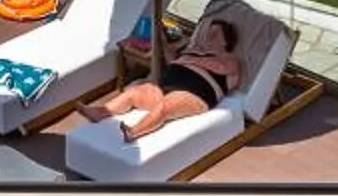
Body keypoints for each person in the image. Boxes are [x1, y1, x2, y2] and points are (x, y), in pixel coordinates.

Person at [98, 14, 242, 141]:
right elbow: (171, 60)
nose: (209, 36)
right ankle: (100, 112)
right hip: (168, 86)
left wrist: (186, 59)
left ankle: (133, 132)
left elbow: (221, 68)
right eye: (209, 33)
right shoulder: (193, 52)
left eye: (215, 34)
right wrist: (163, 40)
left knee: (164, 108)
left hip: (196, 93)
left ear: (226, 41)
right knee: (134, 92)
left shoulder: (229, 58)